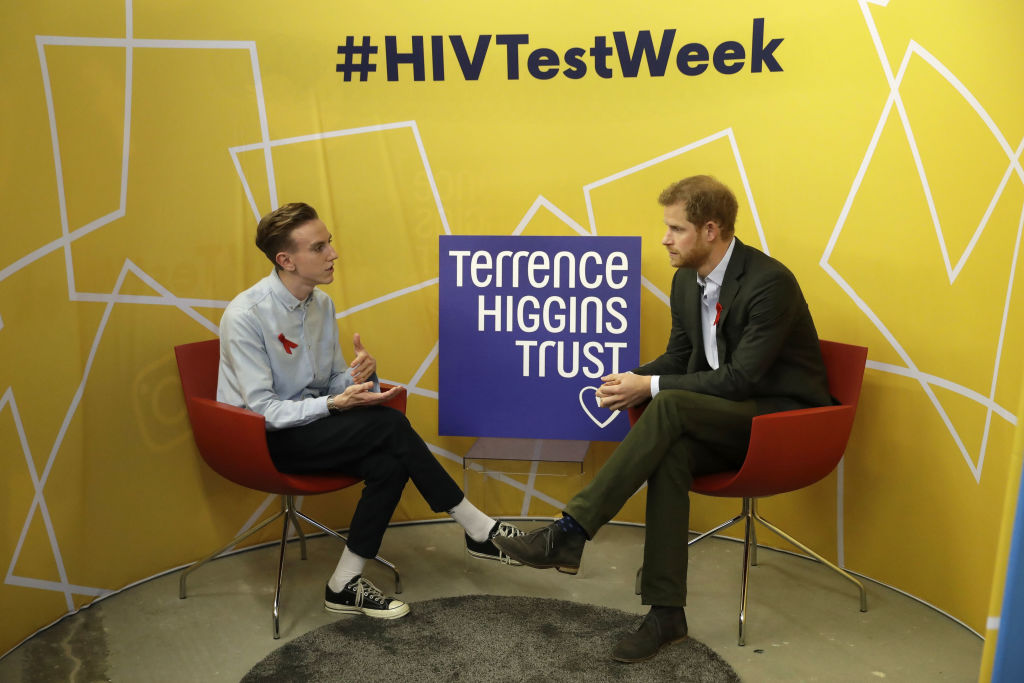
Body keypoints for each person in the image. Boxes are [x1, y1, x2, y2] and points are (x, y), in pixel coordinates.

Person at [493, 175, 832, 661]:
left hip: (782, 423)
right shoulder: (685, 281)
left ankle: (568, 533)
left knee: (666, 403)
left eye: (676, 229)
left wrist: (649, 389)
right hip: (724, 417)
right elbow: (680, 358)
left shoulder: (769, 283)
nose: (664, 239)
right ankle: (666, 613)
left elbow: (740, 380)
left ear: (711, 230)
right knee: (670, 448)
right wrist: (631, 377)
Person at [217, 202, 522, 620]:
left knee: (389, 461)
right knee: (391, 426)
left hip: (312, 426)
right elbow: (264, 411)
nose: (333, 254)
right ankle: (477, 528)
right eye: (319, 247)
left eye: (330, 244)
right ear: (285, 260)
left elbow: (329, 382)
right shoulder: (245, 316)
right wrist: (333, 402)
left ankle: (344, 583)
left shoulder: (320, 304)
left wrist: (360, 376)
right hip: (262, 440)